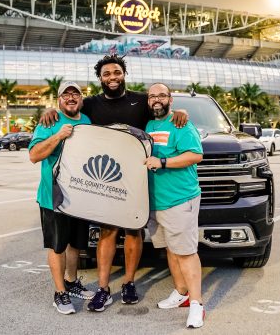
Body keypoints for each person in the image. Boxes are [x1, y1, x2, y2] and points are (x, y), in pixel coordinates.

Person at [39, 54, 188, 312]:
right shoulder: (91, 105)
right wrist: (50, 109)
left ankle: (129, 282)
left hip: (137, 179)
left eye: (116, 73)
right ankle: (104, 289)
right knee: (107, 231)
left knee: (133, 231)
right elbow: (68, 109)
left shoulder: (141, 100)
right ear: (100, 78)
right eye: (106, 74)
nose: (112, 78)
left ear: (124, 74)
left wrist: (181, 112)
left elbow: (162, 108)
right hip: (104, 180)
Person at [28, 81, 94, 314]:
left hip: (79, 196)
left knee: (75, 245)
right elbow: (34, 155)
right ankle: (60, 293)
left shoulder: (86, 120)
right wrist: (58, 136)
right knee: (58, 246)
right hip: (53, 197)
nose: (71, 98)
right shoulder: (50, 121)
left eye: (75, 93)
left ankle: (72, 282)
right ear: (58, 100)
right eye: (65, 95)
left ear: (81, 99)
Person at [144, 82, 205, 329]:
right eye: (152, 96)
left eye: (162, 95)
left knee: (186, 252)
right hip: (156, 202)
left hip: (179, 199)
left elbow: (195, 155)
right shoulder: (150, 125)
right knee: (171, 248)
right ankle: (181, 293)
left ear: (171, 99)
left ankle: (197, 305)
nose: (156, 99)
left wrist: (164, 162)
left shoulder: (181, 124)